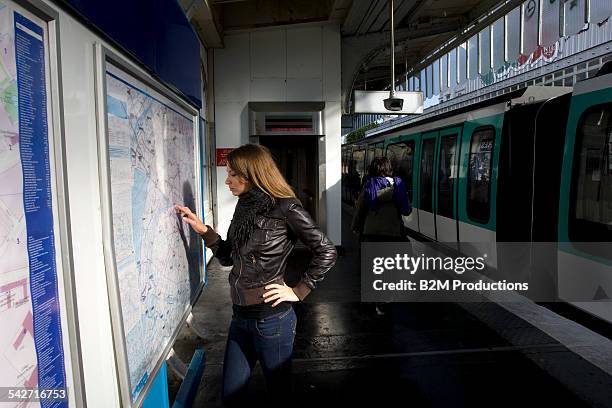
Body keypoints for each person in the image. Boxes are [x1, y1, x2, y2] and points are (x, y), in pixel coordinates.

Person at [175, 144, 337, 405]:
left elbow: (327, 251)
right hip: (240, 319)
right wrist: (203, 230)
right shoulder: (245, 206)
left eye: (231, 174)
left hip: (272, 321)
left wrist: (298, 290)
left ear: (250, 175)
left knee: (279, 395)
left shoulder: (286, 208)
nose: (226, 180)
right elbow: (228, 255)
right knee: (231, 397)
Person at [351, 156, 412, 242]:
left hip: (371, 233)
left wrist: (355, 227)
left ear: (372, 169)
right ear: (389, 168)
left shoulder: (369, 186)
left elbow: (360, 209)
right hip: (393, 232)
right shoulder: (397, 186)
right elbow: (406, 210)